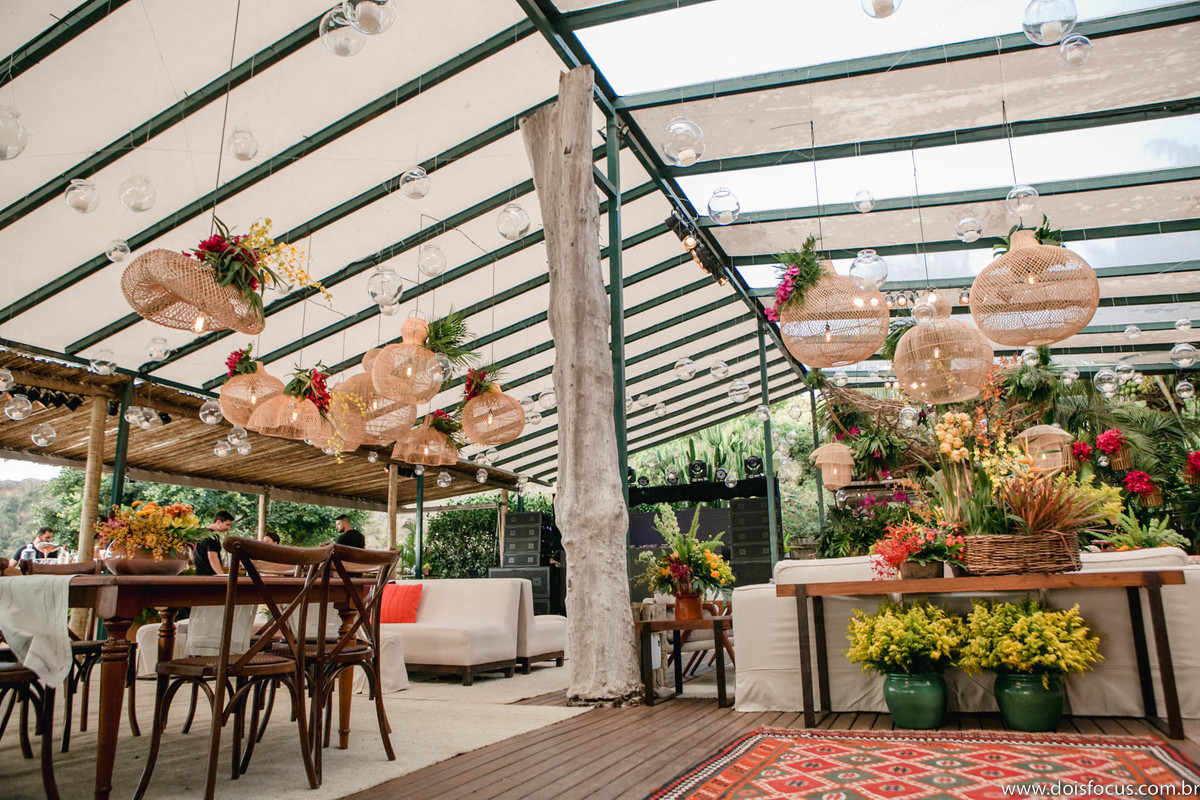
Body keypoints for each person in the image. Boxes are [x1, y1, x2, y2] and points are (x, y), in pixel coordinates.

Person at [193, 511, 234, 576]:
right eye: (227, 525)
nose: (228, 528)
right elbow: (212, 557)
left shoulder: (199, 533)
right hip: (211, 576)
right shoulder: (213, 536)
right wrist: (221, 575)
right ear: (218, 522)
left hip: (199, 575)